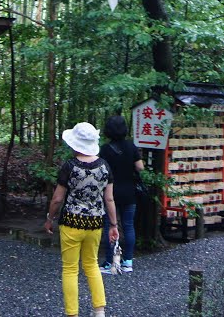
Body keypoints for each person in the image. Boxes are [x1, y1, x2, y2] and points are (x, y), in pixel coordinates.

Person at [44, 122, 120, 317]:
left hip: (71, 222)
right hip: (95, 222)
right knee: (92, 265)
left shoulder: (70, 166)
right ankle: (99, 310)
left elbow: (57, 198)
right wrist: (113, 224)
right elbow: (109, 198)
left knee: (70, 269)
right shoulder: (104, 166)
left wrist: (49, 218)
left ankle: (72, 313)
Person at [98, 115, 145, 274]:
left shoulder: (104, 149)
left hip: (109, 192)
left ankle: (110, 262)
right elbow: (140, 167)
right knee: (128, 225)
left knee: (110, 225)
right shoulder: (131, 146)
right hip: (129, 191)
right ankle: (128, 262)